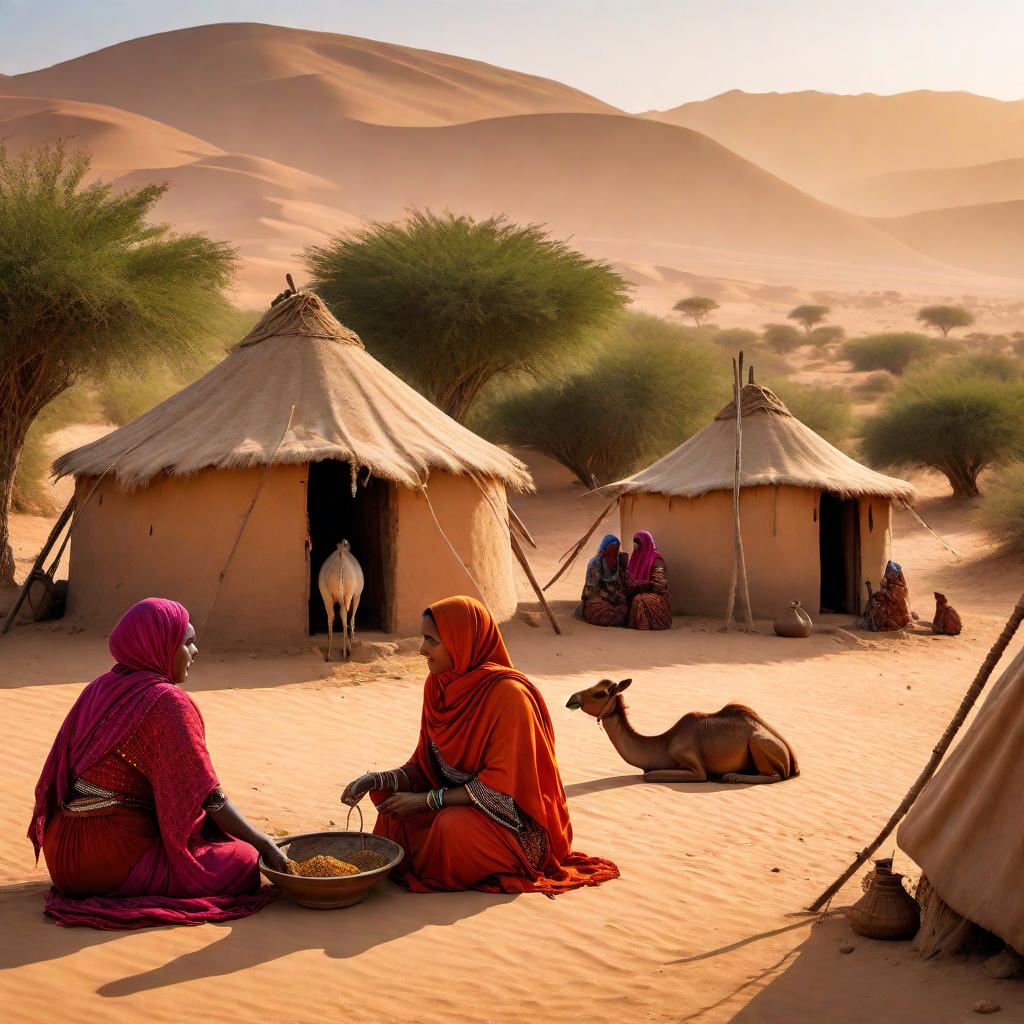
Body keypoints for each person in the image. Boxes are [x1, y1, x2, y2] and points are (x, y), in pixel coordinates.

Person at [29, 598, 285, 928]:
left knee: (228, 842)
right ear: (159, 645)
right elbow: (210, 797)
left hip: (61, 852)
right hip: (107, 856)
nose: (195, 652)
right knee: (244, 861)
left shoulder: (99, 689)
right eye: (188, 642)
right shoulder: (166, 701)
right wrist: (264, 842)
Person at [340, 596, 619, 895]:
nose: (422, 650)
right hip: (458, 801)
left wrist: (427, 801)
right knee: (391, 809)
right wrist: (377, 779)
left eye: (431, 640)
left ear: (461, 641)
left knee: (450, 827)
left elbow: (501, 788)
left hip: (516, 822)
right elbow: (425, 765)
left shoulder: (509, 696)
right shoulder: (437, 685)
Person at [577, 534, 628, 627]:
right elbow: (592, 589)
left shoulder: (619, 561)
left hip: (615, 596)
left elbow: (622, 582)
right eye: (611, 548)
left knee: (627, 608)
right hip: (597, 597)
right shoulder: (595, 563)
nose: (614, 551)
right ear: (606, 548)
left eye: (616, 548)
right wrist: (606, 598)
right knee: (600, 612)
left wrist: (620, 597)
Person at [626, 531, 673, 630]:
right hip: (638, 591)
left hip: (656, 595)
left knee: (639, 600)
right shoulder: (634, 558)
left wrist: (640, 585)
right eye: (635, 543)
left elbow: (660, 587)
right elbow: (628, 578)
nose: (636, 546)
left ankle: (655, 621)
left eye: (639, 543)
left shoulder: (656, 560)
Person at [859, 560, 911, 632]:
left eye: (889, 574)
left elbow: (893, 600)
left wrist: (883, 596)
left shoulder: (898, 587)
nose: (887, 576)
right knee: (874, 604)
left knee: (877, 610)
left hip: (897, 616)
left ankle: (874, 626)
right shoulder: (889, 584)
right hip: (890, 608)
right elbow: (886, 595)